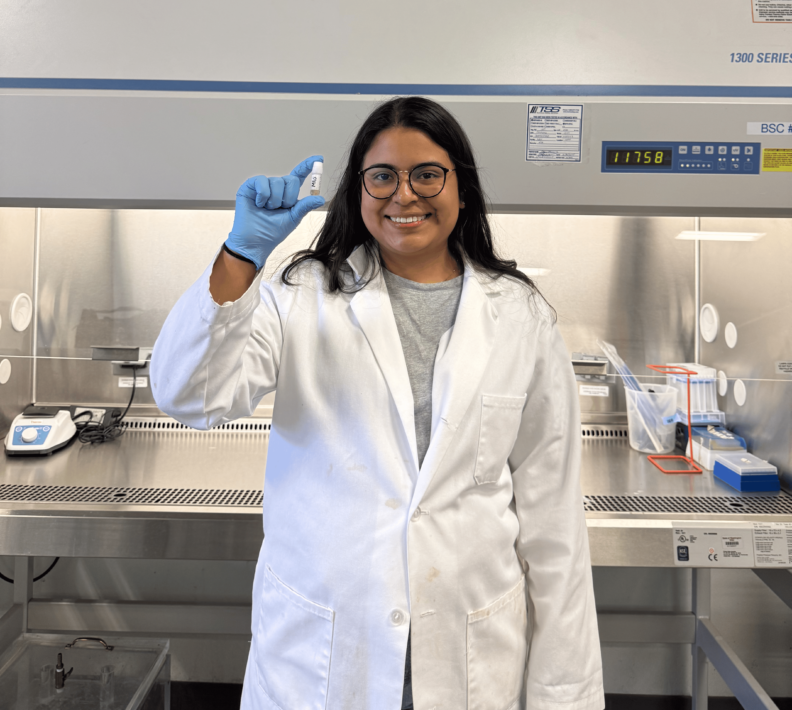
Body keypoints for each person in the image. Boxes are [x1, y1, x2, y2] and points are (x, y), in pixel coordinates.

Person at [151, 96, 604, 710]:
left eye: (427, 174)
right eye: (382, 176)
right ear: (358, 192)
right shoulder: (301, 293)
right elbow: (188, 395)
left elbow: (554, 529)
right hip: (325, 657)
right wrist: (241, 255)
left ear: (461, 189)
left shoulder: (520, 315)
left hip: (470, 659)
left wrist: (566, 696)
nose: (404, 195)